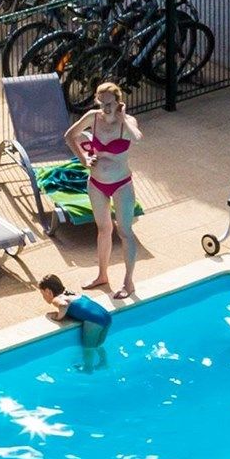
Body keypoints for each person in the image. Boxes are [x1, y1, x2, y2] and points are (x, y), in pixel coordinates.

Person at [66, 81, 142, 300]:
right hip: (97, 183)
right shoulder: (93, 117)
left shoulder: (127, 122)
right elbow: (69, 136)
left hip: (121, 184)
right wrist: (83, 159)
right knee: (103, 229)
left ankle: (129, 281)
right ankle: (102, 275)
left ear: (118, 101)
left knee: (125, 232)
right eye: (102, 103)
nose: (106, 108)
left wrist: (123, 118)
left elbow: (137, 137)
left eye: (110, 103)